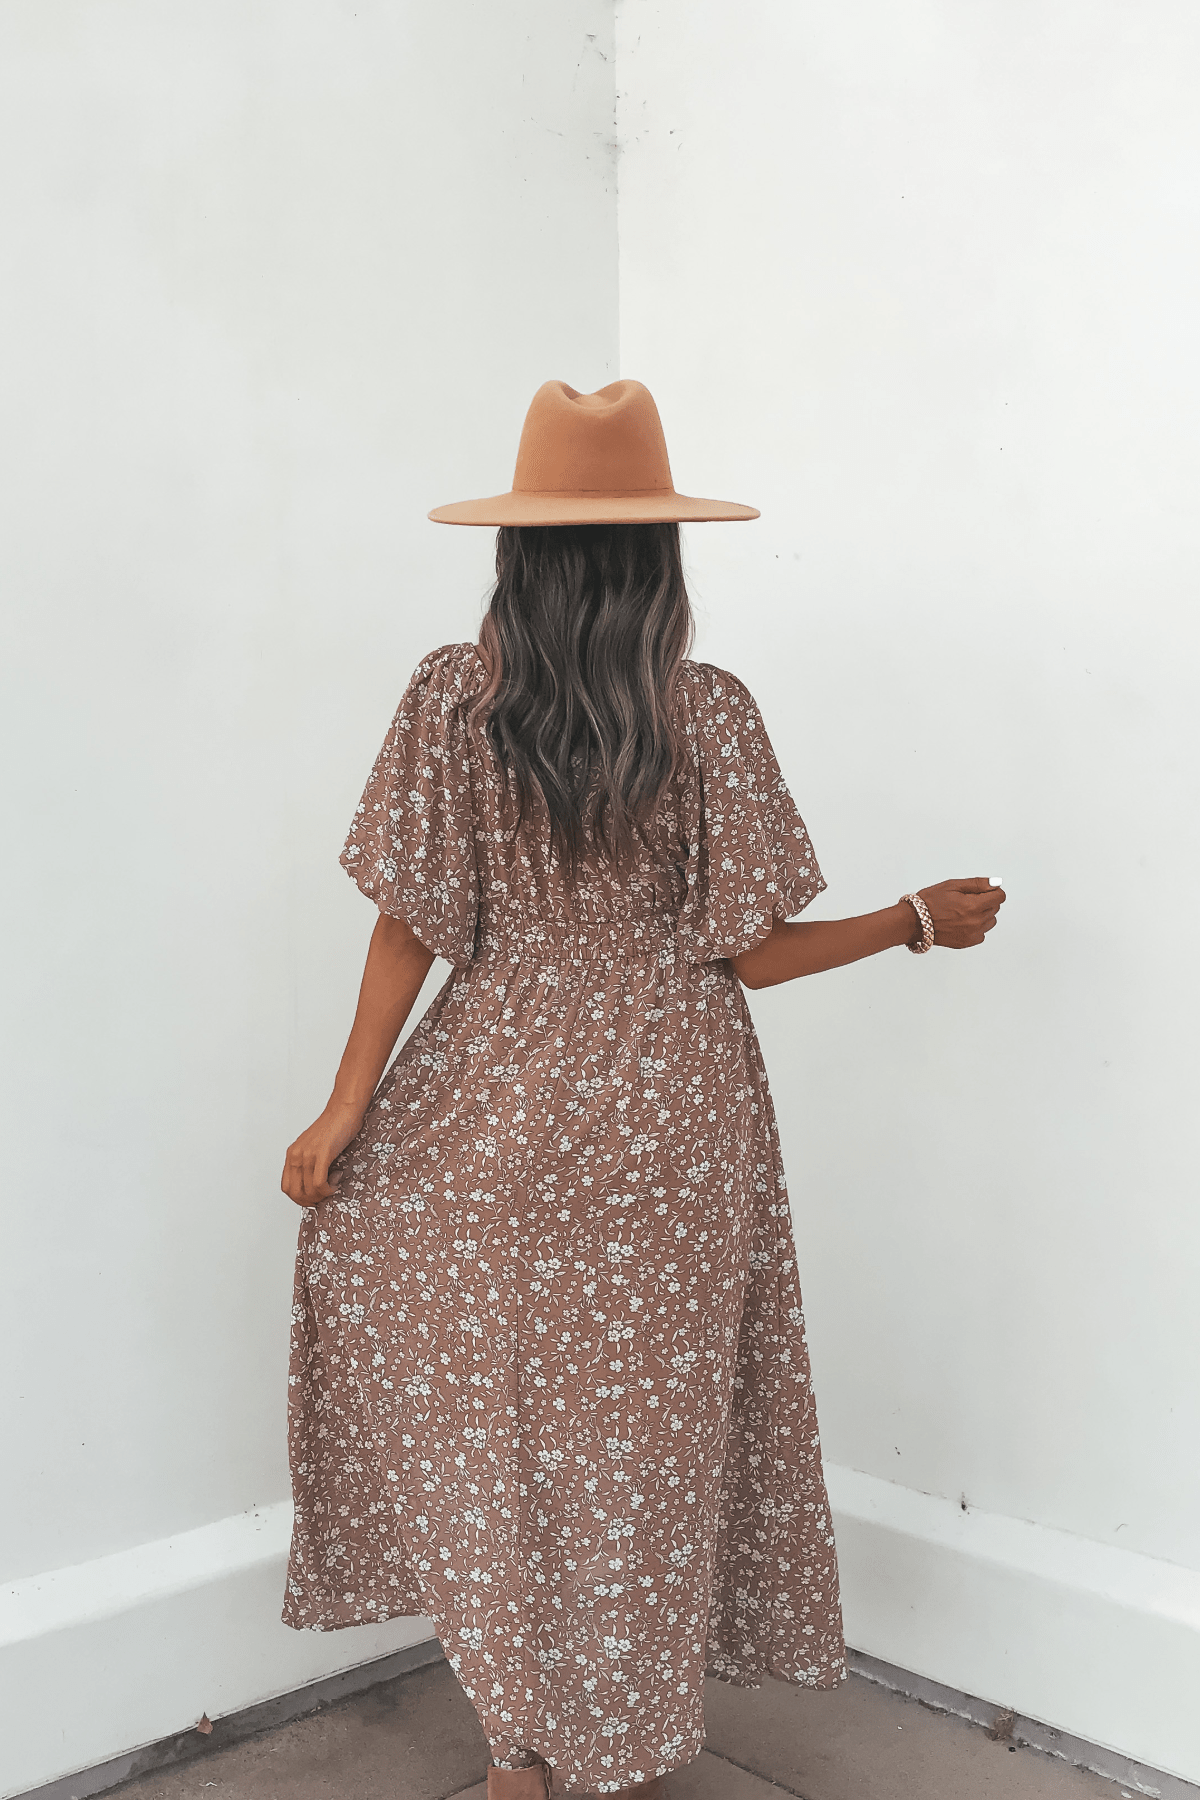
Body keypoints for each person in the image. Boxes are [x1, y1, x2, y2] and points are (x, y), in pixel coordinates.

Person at [279, 380, 1006, 1800]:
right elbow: (753, 956)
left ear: (517, 553)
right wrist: (910, 919)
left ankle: (518, 1752)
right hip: (675, 1118)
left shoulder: (452, 697)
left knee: (491, 1429)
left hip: (487, 1097)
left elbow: (408, 922)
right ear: (662, 555)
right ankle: (614, 1737)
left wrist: (346, 1108)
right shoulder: (709, 717)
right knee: (641, 1448)